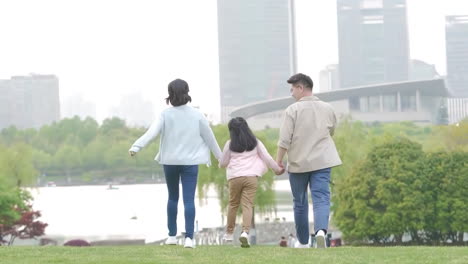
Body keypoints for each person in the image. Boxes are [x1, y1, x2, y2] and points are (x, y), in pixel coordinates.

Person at [128, 79, 222, 248]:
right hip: (190, 162)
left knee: (172, 198)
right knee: (188, 200)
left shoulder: (165, 114)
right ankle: (189, 239)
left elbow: (152, 133)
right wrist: (220, 157)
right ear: (187, 92)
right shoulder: (197, 115)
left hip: (170, 161)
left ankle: (171, 236)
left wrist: (136, 146)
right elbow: (210, 138)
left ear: (170, 94)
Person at [275, 73, 342, 249]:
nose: (291, 94)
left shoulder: (292, 110)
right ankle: (321, 232)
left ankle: (303, 242)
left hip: (299, 163)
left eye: (292, 89)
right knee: (321, 198)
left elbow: (284, 140)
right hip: (322, 161)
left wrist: (278, 162)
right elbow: (332, 131)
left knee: (300, 201)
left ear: (301, 87)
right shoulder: (328, 108)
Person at [219, 117, 284, 248]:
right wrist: (277, 169)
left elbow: (223, 163)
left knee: (233, 204)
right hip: (251, 178)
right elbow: (267, 158)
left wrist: (221, 163)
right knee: (247, 205)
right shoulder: (255, 143)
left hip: (235, 178)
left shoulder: (230, 144)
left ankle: (229, 234)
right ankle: (245, 232)